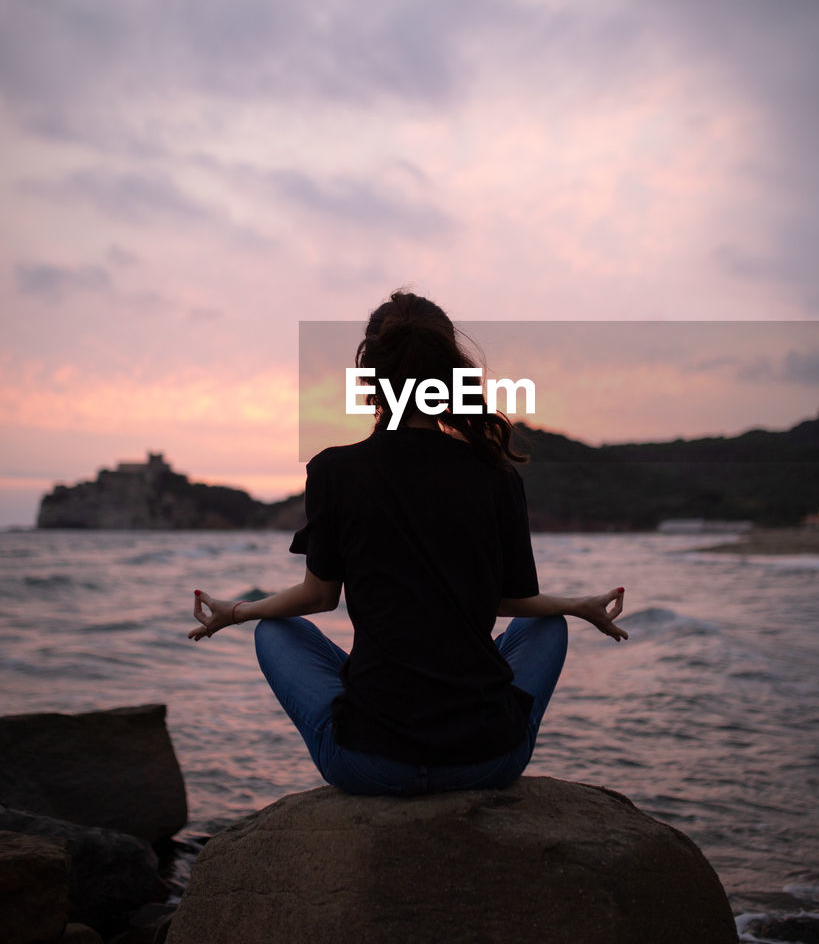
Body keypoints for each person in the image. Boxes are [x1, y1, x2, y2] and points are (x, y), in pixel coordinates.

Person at [189, 291, 627, 797]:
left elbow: (319, 598)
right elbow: (510, 601)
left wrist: (236, 611)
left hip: (370, 765)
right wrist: (578, 607)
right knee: (548, 624)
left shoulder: (336, 470)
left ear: (370, 375)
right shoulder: (494, 476)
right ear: (451, 374)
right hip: (488, 761)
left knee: (271, 631)